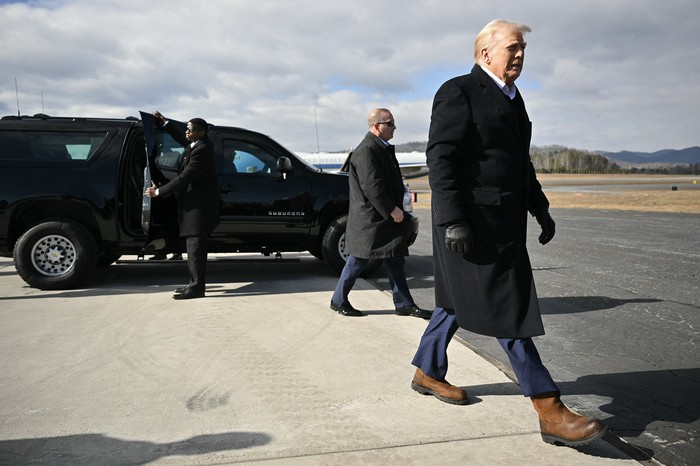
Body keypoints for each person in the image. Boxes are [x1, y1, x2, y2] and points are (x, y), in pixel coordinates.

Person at [410, 20, 608, 447]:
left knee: (454, 302)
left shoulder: (513, 99)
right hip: (469, 227)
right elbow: (440, 159)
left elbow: (519, 163)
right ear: (485, 53)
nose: (520, 55)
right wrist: (452, 220)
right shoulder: (458, 91)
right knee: (508, 310)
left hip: (504, 224)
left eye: (523, 49)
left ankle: (427, 371)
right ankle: (548, 407)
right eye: (512, 48)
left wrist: (540, 207)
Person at [330, 108, 431, 319]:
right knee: (357, 260)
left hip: (383, 221)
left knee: (395, 259)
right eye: (390, 123)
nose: (395, 128)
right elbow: (372, 188)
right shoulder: (367, 150)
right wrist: (392, 209)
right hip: (372, 220)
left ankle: (404, 304)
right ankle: (338, 300)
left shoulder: (380, 148)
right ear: (377, 126)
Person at [145, 112, 220, 300]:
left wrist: (159, 192)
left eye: (190, 129)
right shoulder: (195, 145)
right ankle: (195, 283)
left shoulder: (202, 150)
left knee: (195, 248)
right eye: (186, 128)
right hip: (193, 206)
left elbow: (185, 177)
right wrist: (165, 123)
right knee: (193, 247)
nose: (186, 132)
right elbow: (181, 138)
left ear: (201, 132)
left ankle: (196, 288)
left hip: (198, 208)